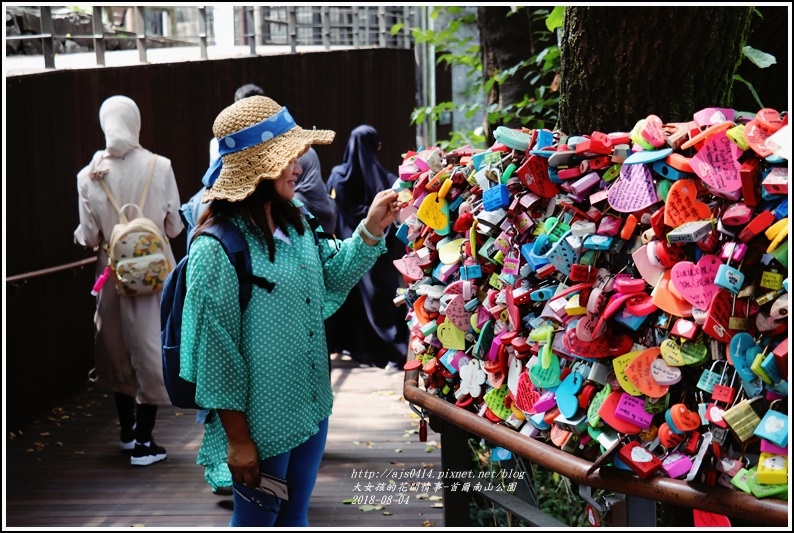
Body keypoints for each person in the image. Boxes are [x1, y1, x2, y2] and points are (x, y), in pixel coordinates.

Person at [180, 95, 404, 527]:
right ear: (257, 169)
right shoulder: (216, 249)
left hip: (311, 407)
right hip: (259, 426)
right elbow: (215, 353)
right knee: (258, 522)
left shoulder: (296, 217)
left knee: (295, 516)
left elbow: (333, 275)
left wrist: (373, 227)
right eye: (288, 159)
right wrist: (239, 440)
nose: (298, 168)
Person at [73, 95, 184, 466]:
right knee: (152, 347)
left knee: (116, 349)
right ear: (135, 122)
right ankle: (144, 440)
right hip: (154, 274)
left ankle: (126, 432)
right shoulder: (161, 166)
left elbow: (88, 237)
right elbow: (174, 226)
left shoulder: (88, 176)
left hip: (113, 275)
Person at [324, 125, 409, 369]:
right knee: (380, 302)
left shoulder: (337, 176)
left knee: (352, 302)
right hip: (376, 251)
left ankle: (358, 350)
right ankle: (392, 352)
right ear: (376, 147)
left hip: (347, 251)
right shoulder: (387, 182)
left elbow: (331, 212)